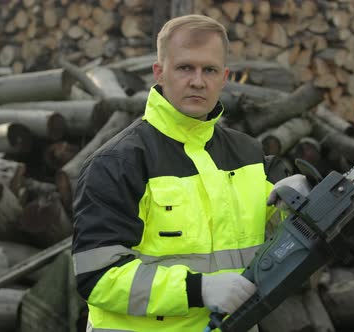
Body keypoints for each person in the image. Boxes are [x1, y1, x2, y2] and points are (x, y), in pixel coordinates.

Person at [72, 14, 308, 332]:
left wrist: (299, 203)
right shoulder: (118, 162)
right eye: (185, 68)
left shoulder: (249, 155)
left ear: (224, 77)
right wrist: (197, 289)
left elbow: (277, 234)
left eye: (209, 70)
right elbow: (97, 277)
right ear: (160, 72)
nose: (198, 81)